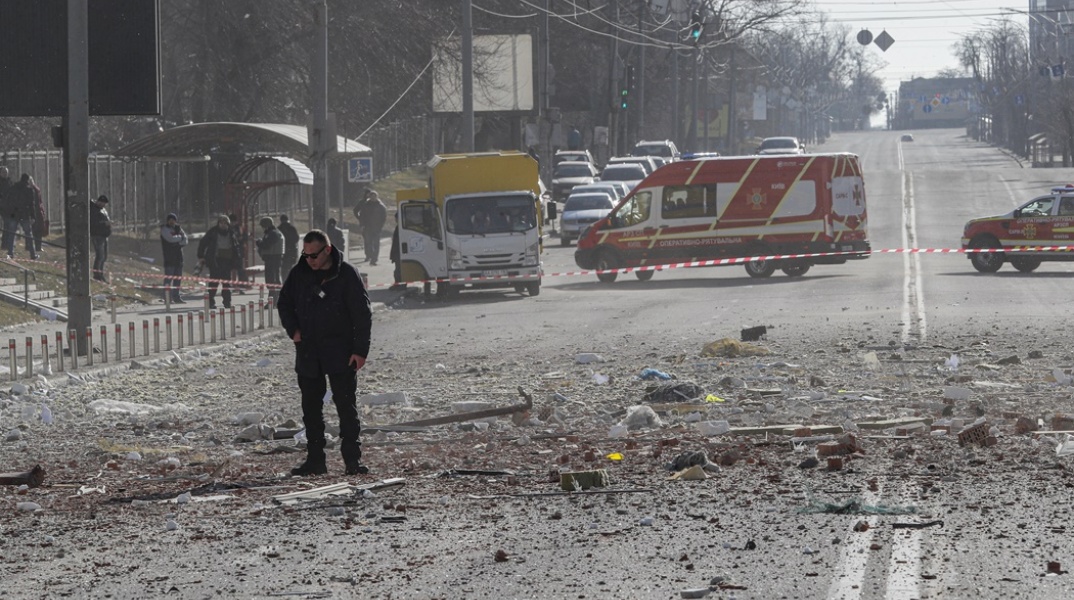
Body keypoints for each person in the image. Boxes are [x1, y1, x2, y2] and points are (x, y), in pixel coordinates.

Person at [277, 229, 372, 476]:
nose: (310, 260)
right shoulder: (299, 274)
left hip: (340, 351)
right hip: (309, 351)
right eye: (305, 255)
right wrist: (293, 330)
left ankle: (352, 461)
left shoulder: (347, 274)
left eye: (314, 255)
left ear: (327, 250)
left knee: (346, 407)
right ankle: (315, 461)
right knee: (311, 410)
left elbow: (362, 314)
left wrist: (360, 351)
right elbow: (284, 302)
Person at [196, 215, 241, 309]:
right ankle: (210, 302)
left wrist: (237, 260)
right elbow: (203, 243)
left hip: (227, 261)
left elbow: (236, 247)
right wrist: (201, 256)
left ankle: (227, 302)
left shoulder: (232, 233)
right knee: (213, 283)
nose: (223, 225)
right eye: (221, 223)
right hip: (215, 261)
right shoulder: (213, 232)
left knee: (226, 283)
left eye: (225, 223)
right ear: (218, 223)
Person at [7, 174, 39, 260]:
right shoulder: (29, 190)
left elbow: (9, 200)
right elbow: (31, 204)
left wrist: (9, 211)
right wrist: (33, 216)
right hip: (24, 214)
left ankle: (10, 253)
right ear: (27, 180)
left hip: (14, 213)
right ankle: (33, 254)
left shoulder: (13, 188)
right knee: (28, 234)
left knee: (12, 234)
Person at [160, 213, 188, 303]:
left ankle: (176, 297)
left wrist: (178, 242)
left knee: (178, 279)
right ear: (168, 220)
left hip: (178, 258)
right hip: (169, 257)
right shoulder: (164, 229)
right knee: (168, 279)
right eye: (170, 219)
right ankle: (167, 298)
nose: (172, 221)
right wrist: (180, 238)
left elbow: (186, 240)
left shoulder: (178, 228)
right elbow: (170, 239)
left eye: (174, 219)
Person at [354, 190, 387, 265]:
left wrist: (380, 226)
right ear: (370, 197)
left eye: (374, 196)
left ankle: (374, 259)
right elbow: (362, 216)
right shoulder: (366, 205)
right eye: (371, 196)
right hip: (367, 228)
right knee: (368, 243)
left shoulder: (381, 206)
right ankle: (370, 256)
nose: (373, 198)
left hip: (377, 228)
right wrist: (362, 225)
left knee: (376, 244)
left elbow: (384, 217)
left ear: (377, 197)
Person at [256, 216, 284, 301]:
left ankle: (273, 300)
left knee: (271, 280)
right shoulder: (274, 233)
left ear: (266, 225)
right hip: (274, 258)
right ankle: (275, 299)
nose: (262, 228)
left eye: (263, 226)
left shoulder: (273, 233)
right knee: (274, 280)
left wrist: (259, 242)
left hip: (272, 259)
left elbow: (266, 245)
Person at [89, 195, 111, 279]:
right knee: (100, 255)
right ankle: (97, 274)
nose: (104, 205)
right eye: (103, 203)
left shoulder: (102, 210)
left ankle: (100, 273)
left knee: (104, 256)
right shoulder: (93, 210)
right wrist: (104, 223)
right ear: (99, 201)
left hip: (104, 235)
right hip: (97, 235)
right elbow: (94, 223)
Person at [389, 212, 406, 290]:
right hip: (398, 252)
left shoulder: (401, 228)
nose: (395, 220)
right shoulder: (399, 227)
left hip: (399, 252)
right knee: (398, 270)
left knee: (399, 270)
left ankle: (400, 284)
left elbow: (397, 243)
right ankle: (399, 284)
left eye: (396, 218)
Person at [30, 177, 46, 253]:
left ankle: (38, 247)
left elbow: (39, 202)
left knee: (38, 231)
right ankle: (36, 247)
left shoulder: (35, 190)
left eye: (31, 181)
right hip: (35, 213)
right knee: (35, 231)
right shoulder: (33, 190)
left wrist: (42, 210)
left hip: (37, 213)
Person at [0, 167, 12, 253]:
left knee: (7, 225)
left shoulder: (9, 181)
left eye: (6, 172)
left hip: (7, 208)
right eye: (3, 172)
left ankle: (5, 244)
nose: (5, 174)